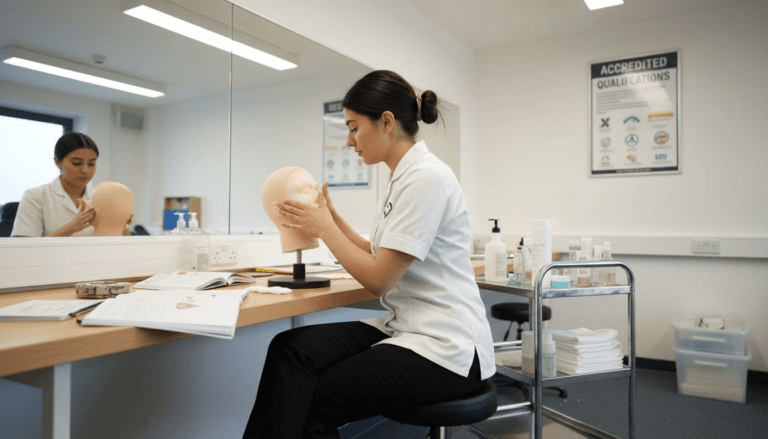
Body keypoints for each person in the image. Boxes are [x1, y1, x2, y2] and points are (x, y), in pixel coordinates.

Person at [242, 71, 495, 439]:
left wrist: (323, 228)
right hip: (410, 327)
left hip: (447, 348)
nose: (349, 141)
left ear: (387, 122)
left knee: (315, 397)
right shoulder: (401, 176)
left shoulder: (426, 178)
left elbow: (379, 279)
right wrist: (329, 217)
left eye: (354, 128)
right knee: (291, 349)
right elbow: (377, 253)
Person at [12, 132, 101, 237]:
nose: (85, 170)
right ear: (58, 162)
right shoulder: (35, 196)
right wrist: (69, 228)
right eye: (76, 163)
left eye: (91, 164)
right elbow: (23, 247)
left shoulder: (100, 197)